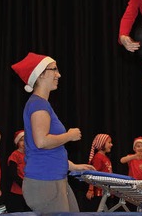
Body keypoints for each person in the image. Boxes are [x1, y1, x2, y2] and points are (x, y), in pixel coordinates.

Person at [11, 52, 94, 213]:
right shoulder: (38, 105)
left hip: (54, 179)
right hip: (45, 181)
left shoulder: (41, 104)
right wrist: (69, 136)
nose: (59, 74)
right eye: (54, 69)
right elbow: (41, 142)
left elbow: (48, 149)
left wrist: (72, 166)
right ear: (41, 75)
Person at [85, 133, 116, 211]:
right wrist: (91, 189)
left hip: (105, 190)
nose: (111, 144)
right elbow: (93, 174)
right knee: (98, 210)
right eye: (109, 142)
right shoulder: (98, 157)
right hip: (98, 191)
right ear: (102, 144)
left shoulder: (105, 158)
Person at [6, 130, 30, 212]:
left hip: (30, 190)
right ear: (17, 142)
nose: (24, 142)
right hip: (18, 190)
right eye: (21, 140)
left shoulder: (30, 155)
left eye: (26, 140)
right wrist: (23, 184)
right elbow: (12, 174)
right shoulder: (15, 155)